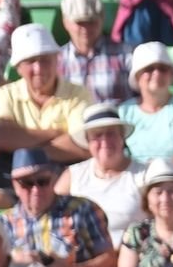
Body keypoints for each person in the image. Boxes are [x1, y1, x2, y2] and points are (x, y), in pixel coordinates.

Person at [3, 149, 117, 267]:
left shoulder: (83, 210)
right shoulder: (5, 224)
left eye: (42, 181)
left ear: (54, 179)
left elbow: (110, 263)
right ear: (14, 184)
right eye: (27, 183)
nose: (36, 190)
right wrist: (18, 261)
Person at [0, 25, 94, 168]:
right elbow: (0, 136)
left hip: (65, 172)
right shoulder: (6, 94)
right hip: (14, 171)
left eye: (45, 60)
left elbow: (81, 144)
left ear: (57, 59)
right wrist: (55, 133)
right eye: (30, 61)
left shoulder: (78, 94)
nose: (38, 69)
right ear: (18, 67)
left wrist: (24, 149)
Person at [60, 104, 146, 243]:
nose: (105, 141)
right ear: (88, 141)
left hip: (132, 255)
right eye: (97, 135)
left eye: (111, 133)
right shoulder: (72, 176)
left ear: (122, 137)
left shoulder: (143, 174)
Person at [118, 44, 173, 173]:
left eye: (163, 69)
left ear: (172, 75)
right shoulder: (123, 111)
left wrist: (154, 170)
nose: (157, 73)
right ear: (137, 77)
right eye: (149, 69)